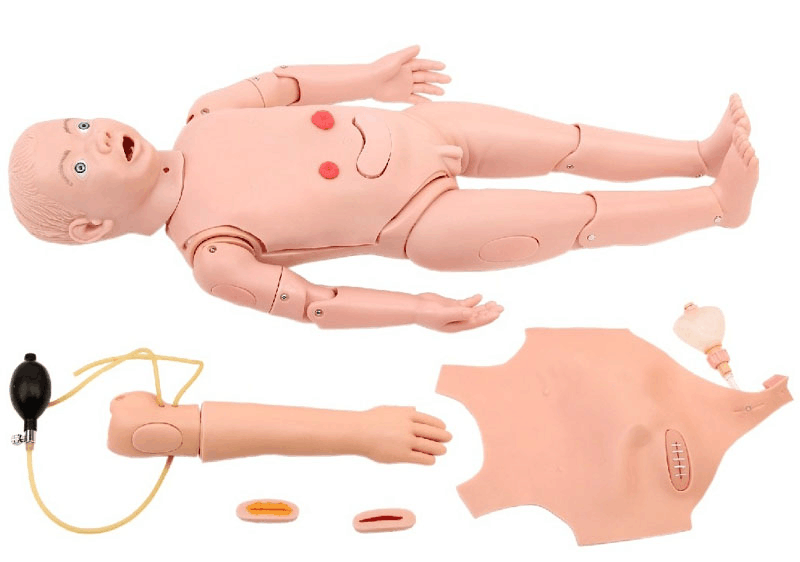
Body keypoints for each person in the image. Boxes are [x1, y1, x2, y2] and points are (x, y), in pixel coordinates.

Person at [9, 46, 757, 332]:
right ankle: (718, 206)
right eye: (79, 167)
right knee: (575, 216)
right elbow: (316, 302)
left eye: (81, 125)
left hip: (419, 130)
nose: (95, 139)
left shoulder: (205, 115)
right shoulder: (212, 256)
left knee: (569, 141)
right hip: (421, 220)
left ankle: (697, 154)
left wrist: (373, 78)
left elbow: (287, 82)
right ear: (91, 227)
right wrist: (419, 310)